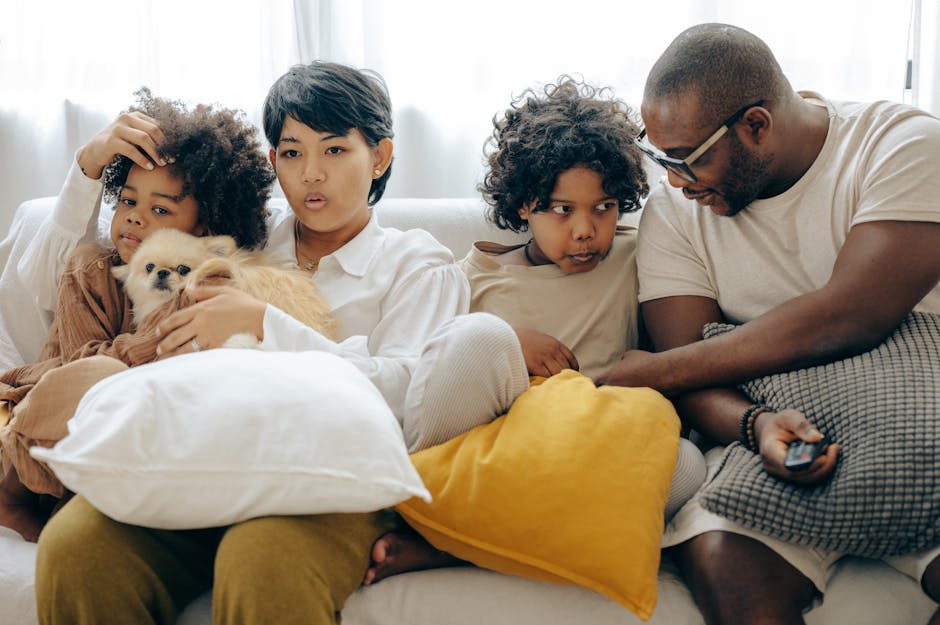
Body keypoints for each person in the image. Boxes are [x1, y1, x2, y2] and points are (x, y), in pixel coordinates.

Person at [32, 61, 528, 625]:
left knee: (262, 560)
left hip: (332, 487)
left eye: (335, 150)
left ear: (380, 157)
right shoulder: (236, 237)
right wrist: (86, 168)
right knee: (76, 549)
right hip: (207, 464)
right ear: (273, 162)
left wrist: (269, 325)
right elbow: (64, 278)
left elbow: (412, 400)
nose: (312, 174)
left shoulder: (418, 265)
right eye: (292, 153)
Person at [594, 23, 940, 625]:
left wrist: (647, 373)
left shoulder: (902, 144)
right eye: (662, 159)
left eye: (689, 160)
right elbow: (692, 373)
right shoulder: (675, 214)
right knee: (726, 561)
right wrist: (754, 424)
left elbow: (851, 315)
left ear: (756, 124)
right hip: (778, 435)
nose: (675, 182)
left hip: (920, 421)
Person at [365, 77, 706, 585]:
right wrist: (510, 342)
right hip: (496, 453)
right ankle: (442, 518)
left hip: (586, 447)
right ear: (524, 204)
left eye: (604, 208)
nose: (586, 229)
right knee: (476, 336)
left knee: (687, 467)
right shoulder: (471, 276)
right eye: (562, 210)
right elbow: (423, 373)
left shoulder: (639, 258)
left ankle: (456, 547)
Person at [0, 88, 275, 542]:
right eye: (127, 202)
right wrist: (153, 345)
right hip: (70, 419)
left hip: (143, 442)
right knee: (97, 375)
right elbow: (81, 364)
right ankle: (13, 497)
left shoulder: (210, 288)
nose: (135, 219)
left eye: (160, 209)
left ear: (203, 227)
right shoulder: (93, 268)